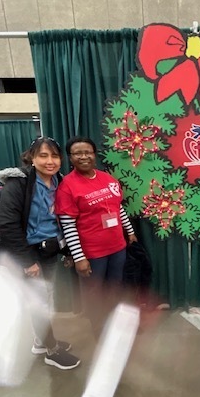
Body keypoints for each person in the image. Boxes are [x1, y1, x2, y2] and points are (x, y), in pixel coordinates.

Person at [0, 136, 81, 370]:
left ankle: (41, 341)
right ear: (31, 158)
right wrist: (27, 261)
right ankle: (51, 351)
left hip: (49, 250)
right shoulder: (18, 183)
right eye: (43, 155)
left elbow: (61, 220)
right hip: (27, 253)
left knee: (45, 298)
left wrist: (66, 250)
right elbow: (7, 224)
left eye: (54, 156)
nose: (50, 161)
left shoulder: (59, 181)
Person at [55, 136, 137, 333]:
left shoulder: (107, 179)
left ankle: (113, 322)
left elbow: (118, 208)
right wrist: (79, 258)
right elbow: (68, 225)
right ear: (70, 158)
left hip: (117, 247)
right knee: (94, 292)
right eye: (77, 153)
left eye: (87, 152)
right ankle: (98, 328)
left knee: (115, 287)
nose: (84, 157)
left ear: (94, 154)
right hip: (92, 253)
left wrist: (130, 231)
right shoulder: (67, 186)